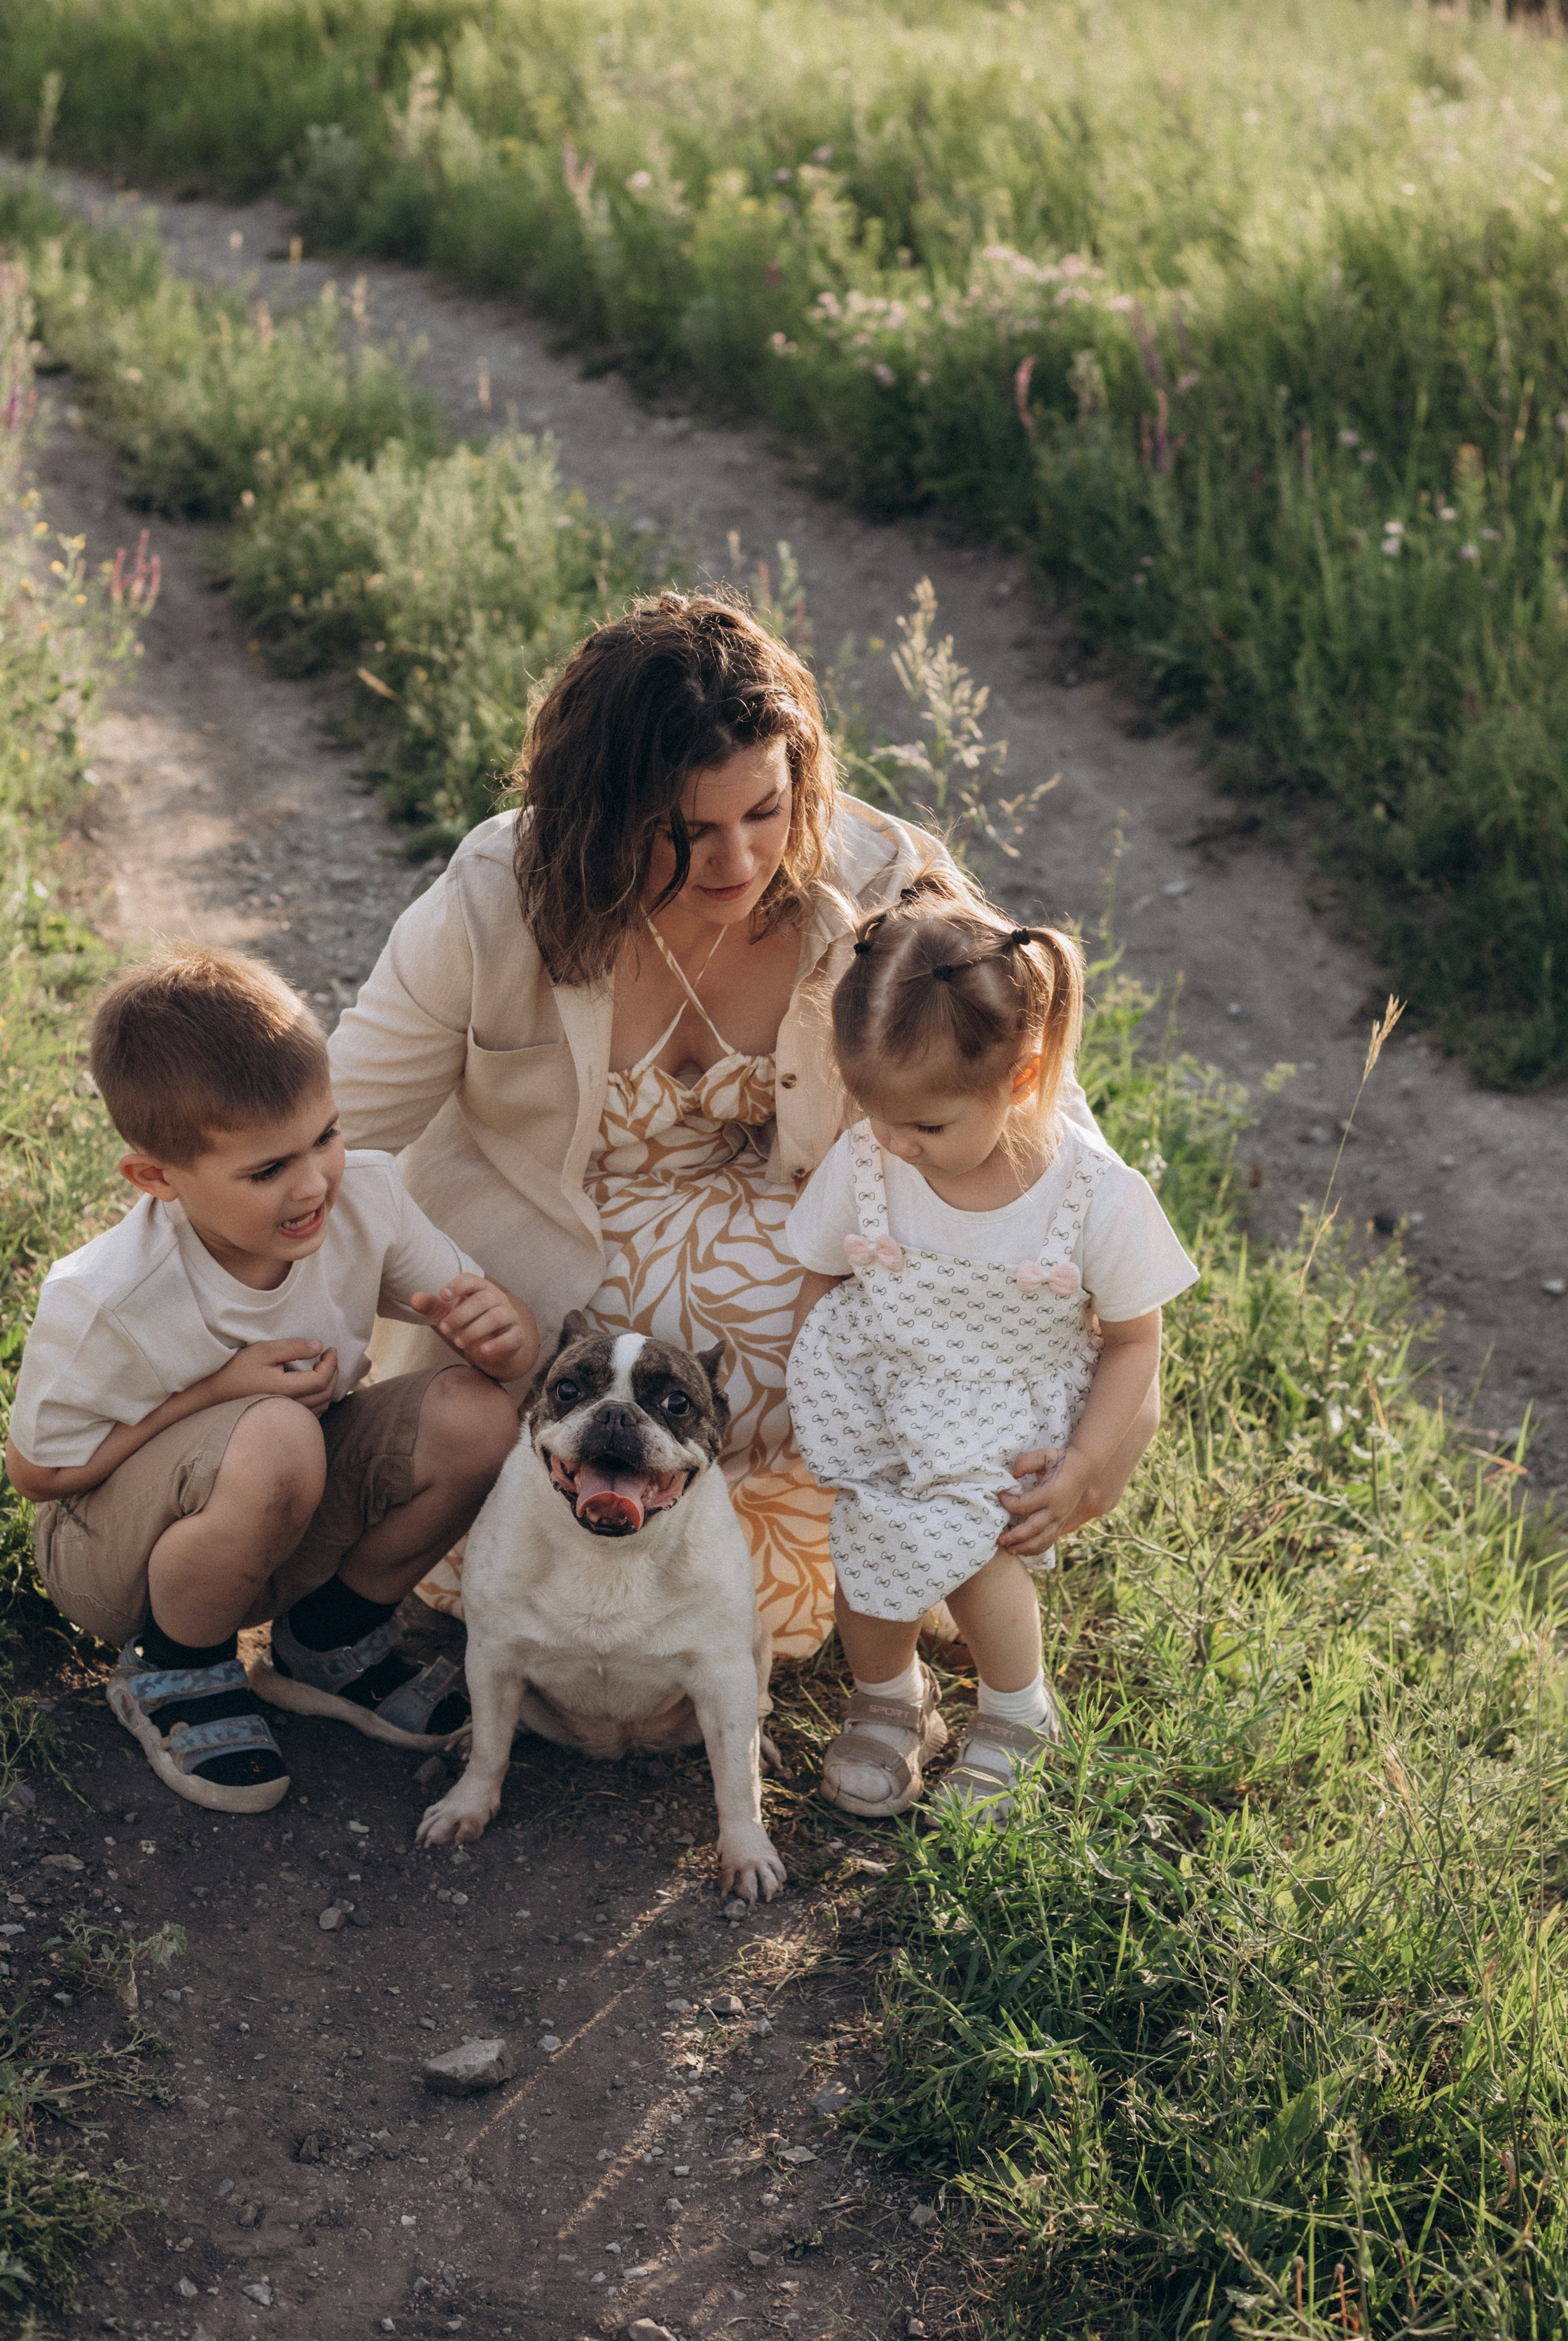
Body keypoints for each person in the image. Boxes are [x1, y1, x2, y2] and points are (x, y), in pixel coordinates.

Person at [328, 591, 1156, 1659]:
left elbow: (1060, 1156)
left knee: (910, 1341)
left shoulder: (885, 883)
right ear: (598, 813)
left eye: (765, 811)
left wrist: (1117, 1416)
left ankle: (869, 1577)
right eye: (684, 831)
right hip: (541, 1281)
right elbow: (338, 1139)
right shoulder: (498, 897)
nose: (737, 861)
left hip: (808, 1276)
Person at [6, 948, 537, 1813]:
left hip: (280, 1500)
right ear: (157, 1178)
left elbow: (483, 1332)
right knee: (277, 1431)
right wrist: (214, 1392)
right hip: (115, 1557)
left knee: (479, 1417)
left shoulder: (363, 1197)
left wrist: (505, 1330)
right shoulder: (110, 1295)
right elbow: (36, 1472)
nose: (312, 1183)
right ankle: (175, 1668)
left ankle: (328, 1641)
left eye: (324, 1135)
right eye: (265, 1171)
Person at [784, 877, 1198, 1821]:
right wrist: (811, 1382)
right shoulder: (872, 1158)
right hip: (885, 1387)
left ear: (1020, 1080)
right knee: (870, 1540)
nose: (897, 1143)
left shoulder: (1092, 1194)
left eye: (926, 1125)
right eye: (876, 1113)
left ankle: (1018, 1712)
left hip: (1011, 1404)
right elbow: (819, 1274)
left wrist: (1090, 1460)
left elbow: (1137, 1341)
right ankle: (890, 1699)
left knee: (980, 1553)